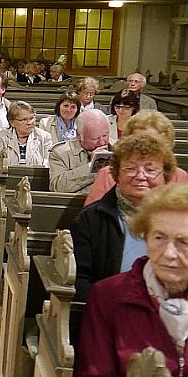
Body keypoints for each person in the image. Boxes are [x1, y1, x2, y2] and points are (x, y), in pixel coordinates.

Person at [75, 183, 188, 376]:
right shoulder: (107, 296)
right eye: (159, 238)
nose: (169, 253)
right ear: (146, 239)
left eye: (184, 241)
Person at [70, 133, 176, 303]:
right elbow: (78, 280)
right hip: (109, 314)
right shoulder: (91, 219)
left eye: (150, 170)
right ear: (117, 174)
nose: (140, 176)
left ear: (166, 175)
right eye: (130, 168)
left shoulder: (180, 220)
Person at [85, 110, 188, 205]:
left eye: (154, 143)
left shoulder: (180, 176)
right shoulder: (107, 174)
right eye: (138, 142)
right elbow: (92, 217)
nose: (145, 148)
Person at [48, 108, 110, 193]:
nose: (102, 142)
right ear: (79, 135)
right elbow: (57, 187)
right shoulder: (60, 153)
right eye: (95, 138)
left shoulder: (118, 148)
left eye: (105, 136)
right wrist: (91, 166)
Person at [0, 101, 53, 166]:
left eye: (31, 118)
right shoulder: (2, 137)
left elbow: (48, 163)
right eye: (23, 120)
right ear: (12, 122)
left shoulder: (45, 137)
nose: (29, 122)